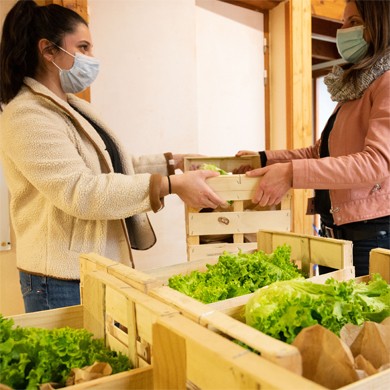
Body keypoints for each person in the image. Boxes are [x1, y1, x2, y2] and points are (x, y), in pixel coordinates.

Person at [0, 0, 227, 313]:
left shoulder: (74, 106)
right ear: (48, 50)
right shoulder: (27, 115)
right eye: (83, 47)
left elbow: (113, 167)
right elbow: (80, 192)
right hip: (60, 279)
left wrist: (174, 162)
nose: (91, 59)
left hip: (94, 267)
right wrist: (170, 185)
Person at [236, 0, 390, 277]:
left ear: (381, 23)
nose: (342, 31)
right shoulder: (358, 87)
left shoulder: (387, 83)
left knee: (364, 320)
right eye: (342, 23)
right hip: (337, 232)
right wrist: (264, 159)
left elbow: (375, 163)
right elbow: (320, 153)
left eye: (353, 22)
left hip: (372, 236)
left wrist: (291, 174)